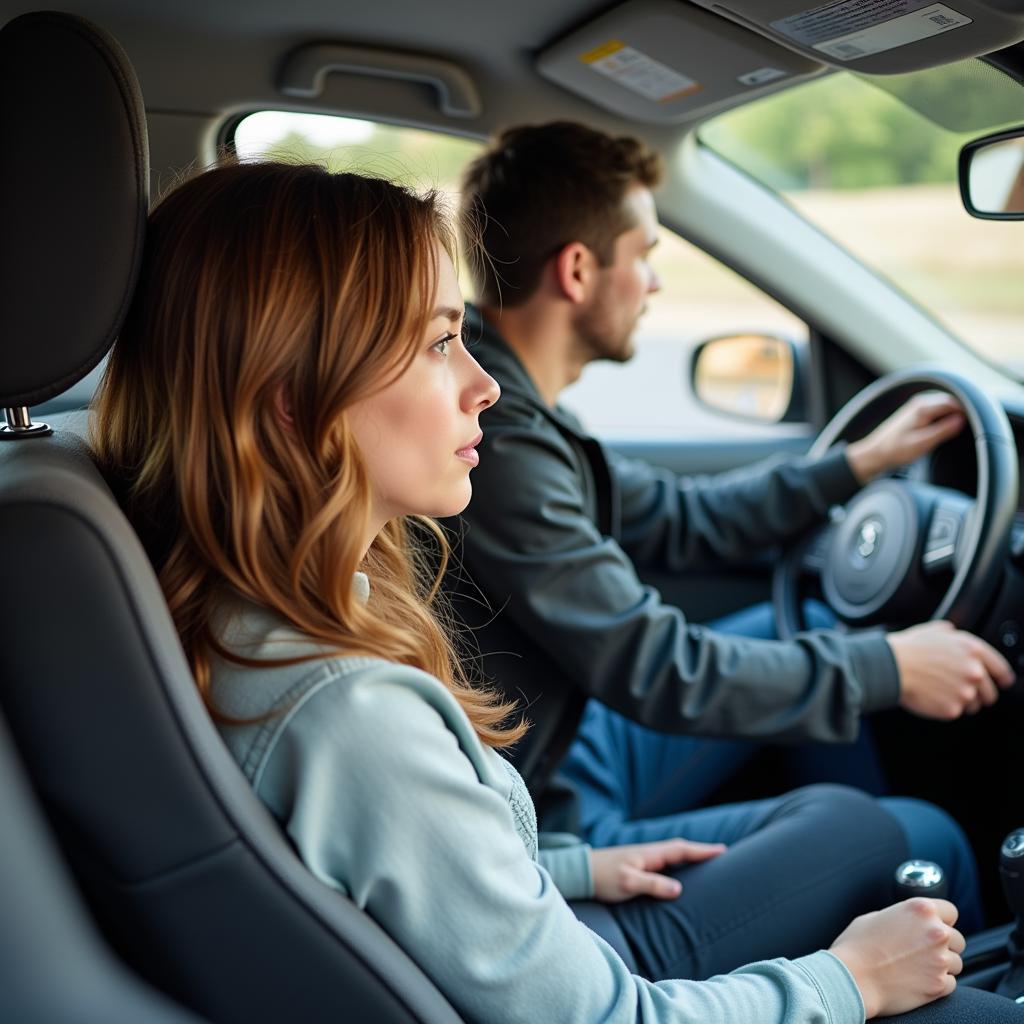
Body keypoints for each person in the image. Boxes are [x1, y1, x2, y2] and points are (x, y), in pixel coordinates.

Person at [89, 160, 1024, 1024]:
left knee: (857, 817)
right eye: (439, 344)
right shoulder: (350, 710)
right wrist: (848, 980)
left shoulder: (249, 611)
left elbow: (405, 863)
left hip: (556, 881)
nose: (483, 385)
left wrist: (567, 865)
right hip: (596, 959)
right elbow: (599, 1016)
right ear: (293, 396)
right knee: (907, 837)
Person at [445, 123, 1014, 931]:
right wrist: (885, 668)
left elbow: (681, 517)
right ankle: (882, 869)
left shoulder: (521, 409)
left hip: (566, 746)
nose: (653, 284)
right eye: (643, 255)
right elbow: (659, 665)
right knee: (934, 837)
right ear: (577, 270)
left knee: (814, 622)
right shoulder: (501, 437)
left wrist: (856, 462)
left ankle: (852, 844)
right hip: (548, 814)